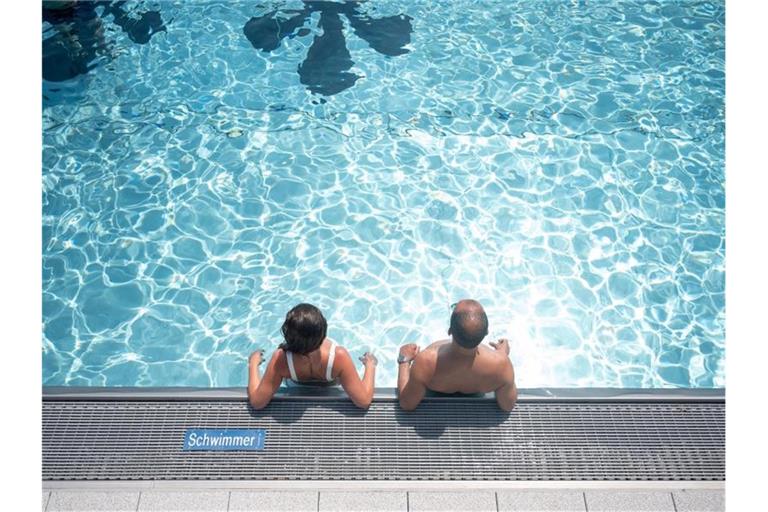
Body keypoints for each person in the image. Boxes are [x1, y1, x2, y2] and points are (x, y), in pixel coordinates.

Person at [248, 303, 377, 410]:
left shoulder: (281, 359)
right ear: (323, 331)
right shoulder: (338, 356)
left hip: (296, 388)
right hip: (331, 388)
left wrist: (253, 364)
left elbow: (257, 402)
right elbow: (364, 401)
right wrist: (370, 366)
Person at [397, 299, 518, 411]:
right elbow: (507, 406)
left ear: (449, 331)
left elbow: (407, 404)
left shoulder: (426, 361)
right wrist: (502, 355)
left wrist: (404, 360)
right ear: (486, 332)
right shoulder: (501, 365)